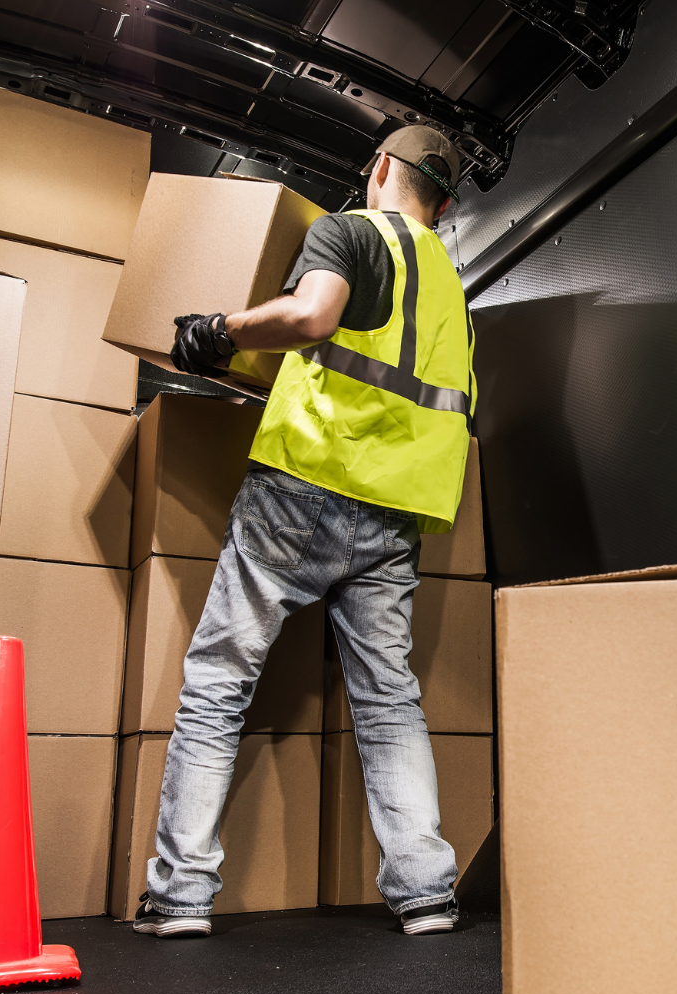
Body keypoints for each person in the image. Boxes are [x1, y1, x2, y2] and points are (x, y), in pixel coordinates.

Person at [132, 126, 477, 939]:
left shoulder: (353, 229)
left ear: (383, 169)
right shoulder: (455, 294)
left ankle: (180, 896)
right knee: (390, 701)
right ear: (448, 201)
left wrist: (218, 331)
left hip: (304, 486)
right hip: (396, 515)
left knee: (220, 679)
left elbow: (315, 315)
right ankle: (427, 890)